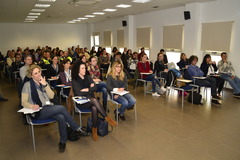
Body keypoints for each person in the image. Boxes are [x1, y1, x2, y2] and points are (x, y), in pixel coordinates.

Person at [21, 64, 88, 152]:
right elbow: (23, 102)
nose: (38, 75)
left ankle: (62, 142)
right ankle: (76, 128)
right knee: (61, 108)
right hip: (38, 111)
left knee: (61, 117)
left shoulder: (43, 82)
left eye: (39, 72)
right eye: (35, 73)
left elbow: (52, 96)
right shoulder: (27, 85)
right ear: (31, 75)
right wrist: (32, 106)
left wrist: (45, 85)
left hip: (48, 108)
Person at [72, 61, 117, 141]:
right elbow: (78, 92)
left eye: (85, 68)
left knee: (94, 108)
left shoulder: (88, 77)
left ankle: (94, 130)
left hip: (91, 100)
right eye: (82, 68)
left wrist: (87, 89)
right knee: (94, 100)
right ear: (77, 70)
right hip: (81, 102)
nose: (84, 70)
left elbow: (95, 88)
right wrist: (90, 89)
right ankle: (107, 118)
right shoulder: (75, 80)